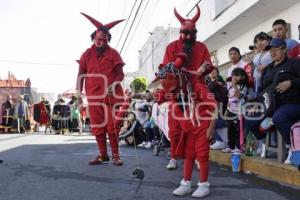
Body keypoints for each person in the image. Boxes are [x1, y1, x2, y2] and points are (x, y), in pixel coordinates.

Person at [149, 5, 217, 198]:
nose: (188, 37)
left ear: (195, 33)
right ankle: (185, 182)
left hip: (197, 89)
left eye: (191, 33)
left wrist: (200, 70)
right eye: (184, 33)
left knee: (201, 152)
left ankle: (203, 184)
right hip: (180, 101)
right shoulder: (171, 47)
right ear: (180, 33)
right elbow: (166, 73)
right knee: (187, 150)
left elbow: (207, 66)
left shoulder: (202, 47)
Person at [77, 13, 125, 166]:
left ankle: (116, 155)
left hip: (111, 96)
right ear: (94, 38)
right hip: (93, 96)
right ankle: (103, 155)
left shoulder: (113, 53)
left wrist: (114, 84)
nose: (101, 43)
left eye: (104, 40)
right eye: (99, 40)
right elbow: (80, 75)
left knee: (112, 127)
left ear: (108, 40)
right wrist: (79, 95)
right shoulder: (86, 54)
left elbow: (120, 74)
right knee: (98, 126)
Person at [245, 38, 300, 163]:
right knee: (250, 118)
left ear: (284, 49)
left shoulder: (294, 63)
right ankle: (264, 142)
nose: (273, 52)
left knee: (279, 118)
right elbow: (265, 90)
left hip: (292, 103)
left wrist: (291, 83)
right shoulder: (268, 68)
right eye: (271, 50)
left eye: (276, 49)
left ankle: (293, 147)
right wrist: (257, 104)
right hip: (270, 104)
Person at [222, 68, 249, 153]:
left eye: (237, 75)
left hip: (239, 112)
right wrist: (227, 110)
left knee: (238, 130)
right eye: (233, 75)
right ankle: (230, 146)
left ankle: (239, 147)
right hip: (230, 110)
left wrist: (234, 85)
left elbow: (238, 96)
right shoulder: (229, 85)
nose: (234, 77)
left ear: (243, 77)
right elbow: (230, 99)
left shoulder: (243, 87)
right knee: (230, 129)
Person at [251, 32, 273, 97]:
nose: (259, 43)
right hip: (257, 83)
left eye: (262, 40)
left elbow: (278, 63)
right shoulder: (257, 55)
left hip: (269, 83)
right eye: (257, 42)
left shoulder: (272, 51)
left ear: (268, 40)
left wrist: (267, 66)